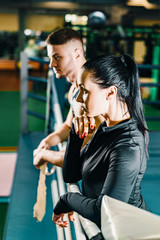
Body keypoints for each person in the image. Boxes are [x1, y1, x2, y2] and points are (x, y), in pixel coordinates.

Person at [52, 54, 150, 229]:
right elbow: (71, 175)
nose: (79, 99)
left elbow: (104, 212)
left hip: (133, 231)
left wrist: (66, 199)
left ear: (111, 92)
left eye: (85, 90)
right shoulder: (107, 127)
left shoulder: (128, 146)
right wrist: (75, 134)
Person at [33, 28, 103, 168]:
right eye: (50, 57)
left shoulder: (93, 90)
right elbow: (68, 126)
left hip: (105, 183)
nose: (51, 64)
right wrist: (48, 141)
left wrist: (45, 155)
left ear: (76, 54)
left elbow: (88, 155)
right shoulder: (75, 89)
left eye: (57, 57)